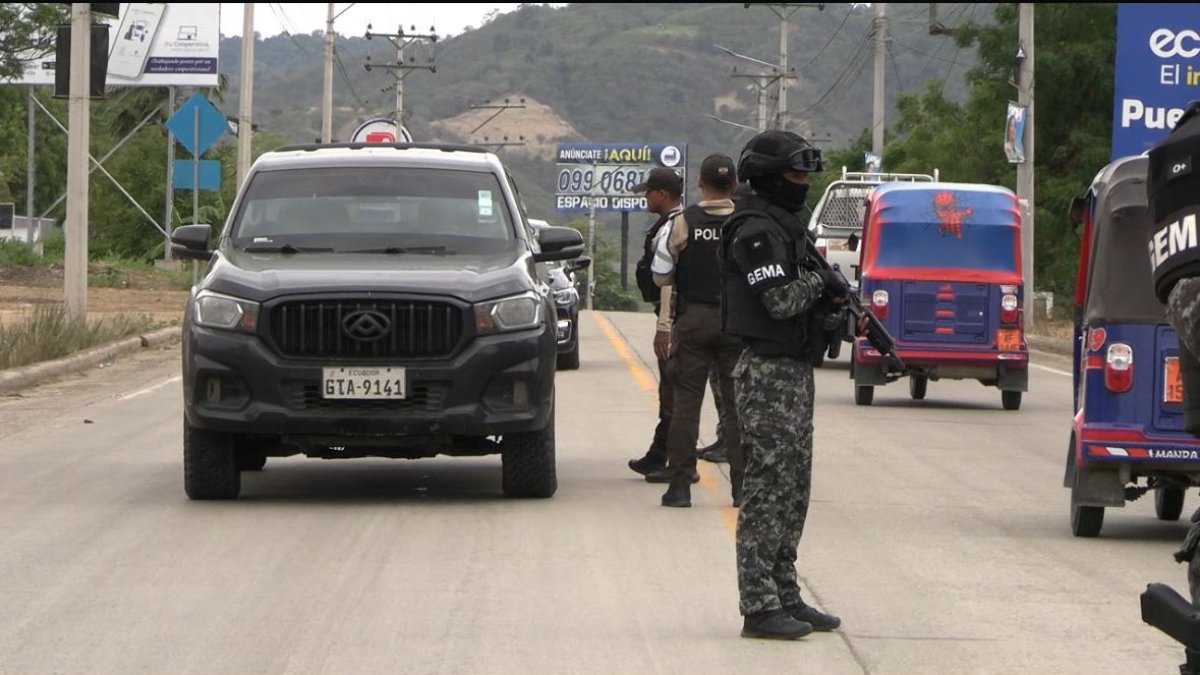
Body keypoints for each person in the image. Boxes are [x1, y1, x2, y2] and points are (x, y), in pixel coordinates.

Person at [719, 129, 849, 640]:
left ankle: (785, 594)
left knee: (794, 491)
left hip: (793, 370)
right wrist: (822, 283)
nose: (803, 184)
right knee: (766, 491)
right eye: (796, 175)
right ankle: (758, 605)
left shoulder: (785, 227)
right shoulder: (754, 230)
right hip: (766, 372)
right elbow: (778, 301)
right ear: (770, 177)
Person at [648, 154, 746, 508]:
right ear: (733, 185)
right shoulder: (746, 221)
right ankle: (741, 488)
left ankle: (679, 487)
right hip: (736, 322)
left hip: (693, 321)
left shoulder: (684, 221)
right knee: (736, 408)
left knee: (686, 404)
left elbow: (661, 274)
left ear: (701, 183)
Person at [628, 167, 685, 478]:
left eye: (648, 192)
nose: (645, 198)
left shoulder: (672, 227)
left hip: (674, 318)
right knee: (672, 391)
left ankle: (673, 460)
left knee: (673, 393)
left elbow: (668, 282)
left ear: (662, 194)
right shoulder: (672, 223)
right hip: (675, 316)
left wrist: (664, 327)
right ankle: (660, 454)